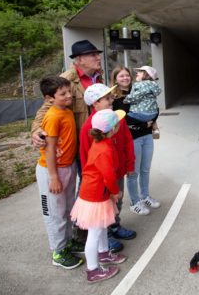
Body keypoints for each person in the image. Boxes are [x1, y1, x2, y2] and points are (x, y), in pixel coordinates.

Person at [30, 39, 123, 252]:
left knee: (99, 191)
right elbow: (44, 112)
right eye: (93, 55)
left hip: (99, 145)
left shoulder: (98, 77)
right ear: (79, 60)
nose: (98, 57)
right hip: (83, 151)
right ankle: (85, 237)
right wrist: (36, 131)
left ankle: (104, 231)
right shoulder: (65, 82)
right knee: (90, 194)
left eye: (98, 54)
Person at [71, 109, 128, 283]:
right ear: (113, 129)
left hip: (96, 192)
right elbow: (108, 175)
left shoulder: (102, 142)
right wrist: (114, 191)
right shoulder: (104, 149)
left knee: (102, 226)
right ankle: (93, 270)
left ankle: (104, 254)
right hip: (95, 194)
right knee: (94, 233)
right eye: (117, 123)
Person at [35, 76, 83, 269]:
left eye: (69, 91)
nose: (69, 95)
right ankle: (58, 251)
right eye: (62, 94)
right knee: (54, 212)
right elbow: (49, 149)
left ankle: (68, 242)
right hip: (52, 170)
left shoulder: (66, 111)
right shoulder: (53, 116)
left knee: (68, 208)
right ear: (49, 99)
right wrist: (53, 178)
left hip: (67, 166)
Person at [80, 83, 136, 245]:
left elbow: (127, 141)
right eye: (106, 98)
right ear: (95, 104)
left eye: (111, 96)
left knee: (117, 199)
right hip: (101, 179)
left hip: (117, 172)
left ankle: (115, 226)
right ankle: (106, 235)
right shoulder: (88, 127)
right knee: (103, 205)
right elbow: (85, 155)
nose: (111, 99)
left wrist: (130, 164)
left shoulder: (117, 118)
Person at [111, 66, 160, 216]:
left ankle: (145, 196)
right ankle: (134, 202)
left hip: (146, 135)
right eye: (121, 76)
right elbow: (122, 118)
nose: (125, 78)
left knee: (145, 169)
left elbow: (154, 108)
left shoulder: (139, 89)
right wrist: (144, 123)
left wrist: (152, 120)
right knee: (133, 172)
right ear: (115, 79)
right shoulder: (114, 97)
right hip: (131, 138)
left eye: (127, 75)